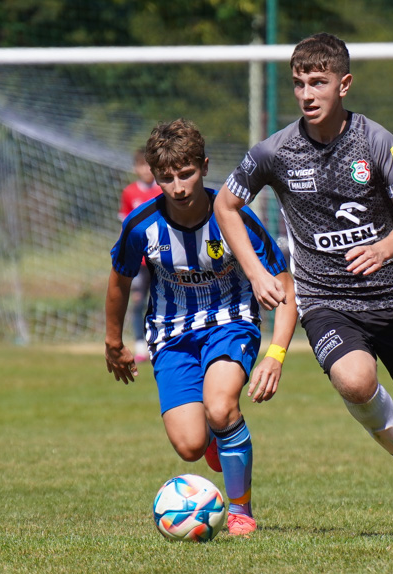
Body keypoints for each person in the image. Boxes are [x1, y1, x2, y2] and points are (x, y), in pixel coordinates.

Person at [214, 33, 393, 533]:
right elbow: (225, 204)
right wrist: (258, 272)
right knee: (354, 379)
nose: (307, 94)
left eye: (319, 82)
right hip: (326, 302)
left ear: (343, 84)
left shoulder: (377, 142)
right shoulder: (276, 151)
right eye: (299, 83)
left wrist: (383, 248)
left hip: (390, 298)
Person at [105, 118, 297, 536]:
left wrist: (276, 353)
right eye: (167, 178)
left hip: (231, 323)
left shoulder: (236, 219)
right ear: (154, 177)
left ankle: (241, 510)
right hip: (171, 335)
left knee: (221, 404)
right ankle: (216, 439)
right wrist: (113, 341)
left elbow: (285, 288)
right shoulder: (141, 226)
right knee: (190, 445)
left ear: (205, 166)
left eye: (186, 174)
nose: (178, 187)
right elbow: (119, 280)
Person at [118, 148, 163, 362]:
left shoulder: (163, 190)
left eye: (149, 165)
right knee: (137, 301)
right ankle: (139, 345)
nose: (146, 170)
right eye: (141, 165)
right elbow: (125, 227)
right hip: (140, 261)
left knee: (160, 300)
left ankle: (160, 341)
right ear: (135, 168)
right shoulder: (129, 193)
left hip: (160, 259)